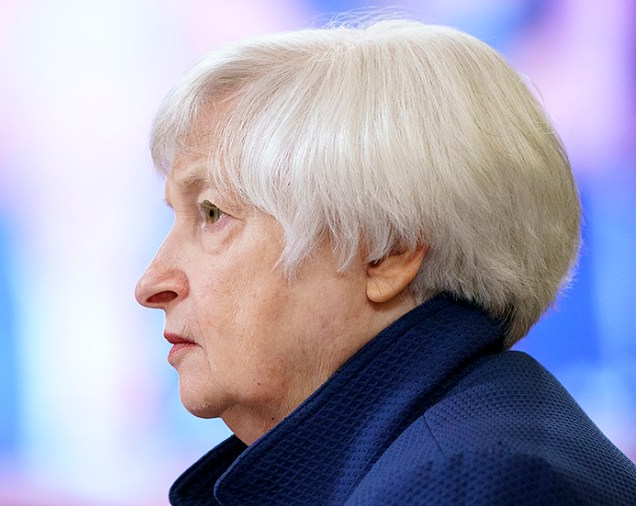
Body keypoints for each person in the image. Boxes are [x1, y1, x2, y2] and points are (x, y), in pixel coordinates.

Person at [134, 19, 636, 505]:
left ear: (384, 252)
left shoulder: (468, 484)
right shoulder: (462, 449)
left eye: (213, 212)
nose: (151, 284)